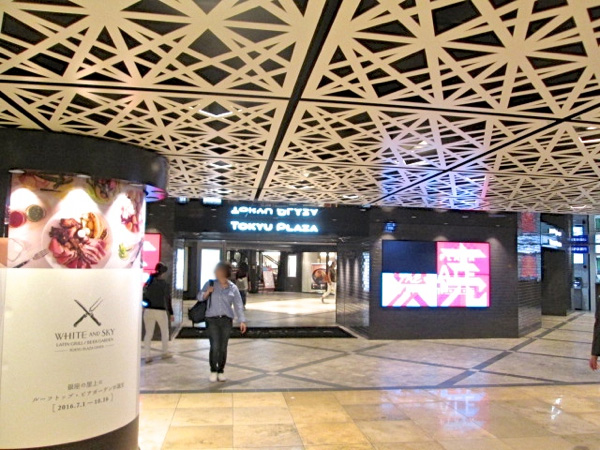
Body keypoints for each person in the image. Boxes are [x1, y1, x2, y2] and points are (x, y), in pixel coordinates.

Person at [198, 262, 247, 382]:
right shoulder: (210, 283)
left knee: (223, 347)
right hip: (212, 319)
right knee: (215, 346)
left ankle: (221, 370)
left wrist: (242, 320)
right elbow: (199, 297)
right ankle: (213, 370)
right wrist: (207, 292)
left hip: (226, 320)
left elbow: (238, 304)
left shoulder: (233, 288)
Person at [143, 262, 173, 364]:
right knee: (164, 332)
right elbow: (168, 299)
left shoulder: (149, 281)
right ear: (163, 273)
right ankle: (164, 352)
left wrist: (144, 305)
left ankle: (147, 355)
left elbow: (144, 295)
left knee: (148, 333)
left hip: (148, 310)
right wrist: (171, 313)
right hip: (161, 310)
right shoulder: (164, 284)